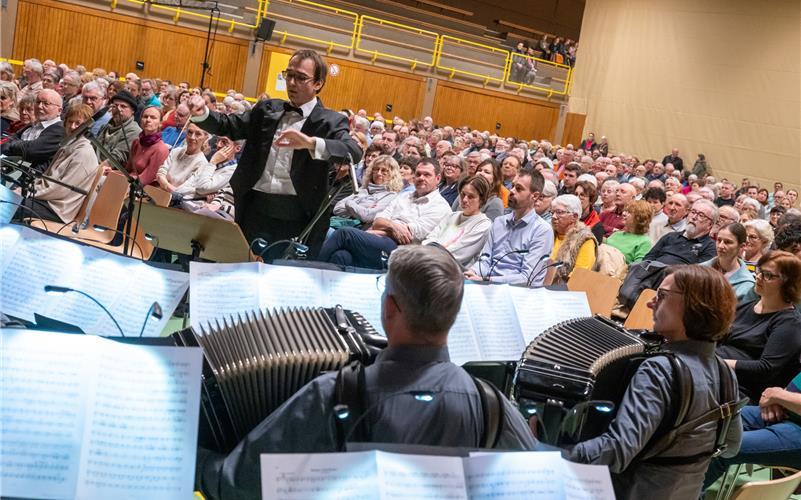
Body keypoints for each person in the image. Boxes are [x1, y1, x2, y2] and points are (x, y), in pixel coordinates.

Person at [194, 244, 540, 500]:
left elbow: (239, 485)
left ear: (389, 308)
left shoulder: (333, 394)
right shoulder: (492, 405)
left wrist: (194, 456)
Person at [568, 265, 742, 500]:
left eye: (661, 295)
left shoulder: (659, 369)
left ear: (693, 305)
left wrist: (556, 453)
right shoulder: (725, 372)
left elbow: (618, 451)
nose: (651, 303)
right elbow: (731, 447)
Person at [188, 49, 361, 256]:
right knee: (243, 268)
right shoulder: (266, 109)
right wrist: (203, 114)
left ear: (318, 83)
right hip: (254, 209)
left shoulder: (331, 121)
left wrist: (311, 143)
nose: (292, 82)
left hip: (297, 217)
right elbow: (230, 125)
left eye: (301, 78)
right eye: (289, 74)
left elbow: (353, 151)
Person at [318, 158, 451, 269]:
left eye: (427, 175)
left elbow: (409, 235)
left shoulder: (440, 206)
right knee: (342, 256)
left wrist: (378, 229)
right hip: (381, 241)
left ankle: (311, 269)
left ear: (438, 178)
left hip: (403, 251)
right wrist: (392, 227)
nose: (421, 178)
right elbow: (378, 220)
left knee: (344, 233)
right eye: (418, 174)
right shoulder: (405, 196)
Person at [717, 251, 801, 401]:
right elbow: (718, 339)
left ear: (788, 282)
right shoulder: (745, 307)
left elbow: (765, 369)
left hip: (741, 388)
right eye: (759, 271)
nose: (759, 277)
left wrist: (718, 363)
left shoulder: (790, 323)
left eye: (768, 275)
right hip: (717, 372)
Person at [704, 371, 801, 490]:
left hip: (796, 429)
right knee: (707, 422)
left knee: (721, 448)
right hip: (785, 411)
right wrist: (777, 400)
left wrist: (777, 395)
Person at [464, 169, 554, 285]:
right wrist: (473, 272)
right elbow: (485, 260)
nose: (511, 191)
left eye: (519, 188)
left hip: (519, 293)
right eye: (512, 186)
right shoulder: (499, 222)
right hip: (489, 285)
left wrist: (487, 280)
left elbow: (527, 278)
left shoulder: (542, 230)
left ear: (535, 196)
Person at [14, 104, 99, 223]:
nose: (73, 126)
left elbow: (61, 190)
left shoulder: (83, 153)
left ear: (87, 127)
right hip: (46, 199)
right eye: (70, 122)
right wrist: (26, 189)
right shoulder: (68, 145)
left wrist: (28, 192)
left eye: (78, 123)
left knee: (10, 205)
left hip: (58, 208)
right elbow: (46, 178)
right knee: (8, 197)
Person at [423, 175, 492, 267]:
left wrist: (427, 254)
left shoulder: (483, 224)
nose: (464, 200)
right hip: (429, 261)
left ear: (482, 200)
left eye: (471, 197)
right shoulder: (451, 216)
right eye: (463, 194)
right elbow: (430, 238)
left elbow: (458, 253)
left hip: (452, 270)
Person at [1, 89, 65, 173]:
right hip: (10, 169)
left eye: (46, 103)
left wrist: (13, 145)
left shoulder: (59, 129)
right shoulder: (33, 124)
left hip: (28, 178)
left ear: (59, 111)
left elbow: (31, 150)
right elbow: (8, 142)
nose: (39, 106)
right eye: (38, 102)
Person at [332, 154, 402, 227]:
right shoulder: (363, 189)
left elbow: (367, 216)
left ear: (393, 174)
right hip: (341, 224)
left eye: (384, 171)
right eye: (376, 169)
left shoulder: (390, 195)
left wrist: (350, 204)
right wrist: (363, 206)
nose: (379, 173)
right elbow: (337, 209)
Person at [643, 199, 717, 266]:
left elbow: (698, 274)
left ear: (709, 225)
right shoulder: (670, 236)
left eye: (701, 215)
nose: (694, 217)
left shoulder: (710, 247)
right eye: (693, 212)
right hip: (652, 275)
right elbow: (648, 258)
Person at [701, 223, 756, 303]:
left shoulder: (747, 285)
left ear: (742, 246)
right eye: (719, 240)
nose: (720, 246)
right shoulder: (700, 269)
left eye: (727, 242)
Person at [549, 194, 597, 284]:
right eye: (552, 212)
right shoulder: (547, 233)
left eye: (559, 212)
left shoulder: (585, 240)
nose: (554, 216)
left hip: (562, 290)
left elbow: (579, 277)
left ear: (574, 217)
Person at [124, 105, 169, 187]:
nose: (148, 120)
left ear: (160, 123)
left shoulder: (161, 149)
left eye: (153, 117)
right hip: (127, 181)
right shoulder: (136, 142)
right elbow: (127, 170)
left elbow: (146, 179)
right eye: (145, 117)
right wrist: (112, 173)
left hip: (140, 190)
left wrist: (123, 180)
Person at [606, 200, 654, 264]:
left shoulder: (644, 242)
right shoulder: (616, 234)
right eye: (625, 210)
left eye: (629, 212)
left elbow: (637, 267)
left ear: (639, 217)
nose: (623, 213)